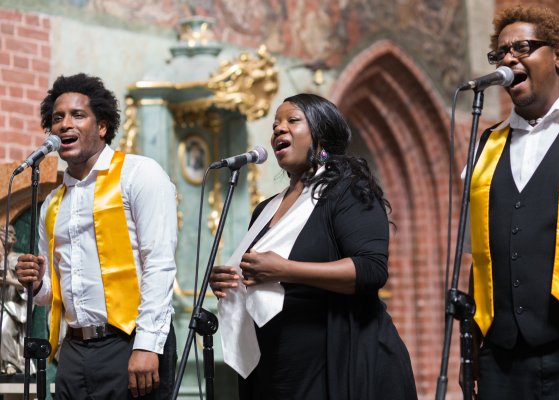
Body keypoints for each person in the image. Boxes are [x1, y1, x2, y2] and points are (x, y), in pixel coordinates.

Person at [210, 93, 418, 399]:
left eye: (292, 120)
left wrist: (285, 270)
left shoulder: (349, 190)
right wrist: (231, 281)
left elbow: (371, 269)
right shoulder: (266, 209)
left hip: (339, 359)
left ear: (322, 135)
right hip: (278, 365)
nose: (279, 129)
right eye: (275, 125)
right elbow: (261, 275)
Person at [15, 73, 178, 399]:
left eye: (77, 115)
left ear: (102, 126)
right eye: (57, 118)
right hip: (74, 351)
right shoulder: (53, 202)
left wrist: (147, 345)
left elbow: (159, 263)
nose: (64, 124)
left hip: (130, 341)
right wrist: (36, 282)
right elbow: (51, 292)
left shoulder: (138, 174)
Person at [467, 5, 559, 399]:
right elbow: (481, 254)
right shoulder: (487, 146)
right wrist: (472, 345)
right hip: (503, 355)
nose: (509, 59)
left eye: (522, 48)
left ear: (558, 55)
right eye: (501, 52)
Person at [0, 224, 28, 375]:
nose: (5, 235)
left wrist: (9, 280)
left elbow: (27, 285)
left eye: (9, 232)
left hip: (12, 306)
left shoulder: (19, 258)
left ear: (14, 239)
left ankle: (11, 363)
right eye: (2, 232)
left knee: (4, 329)